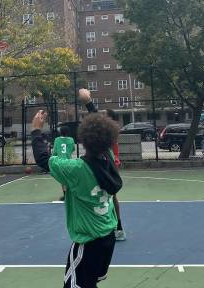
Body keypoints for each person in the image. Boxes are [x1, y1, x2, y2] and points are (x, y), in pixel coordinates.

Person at [32, 110, 122, 288]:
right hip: (108, 237)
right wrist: (89, 104)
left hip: (88, 243)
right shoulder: (109, 159)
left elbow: (43, 158)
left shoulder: (77, 169)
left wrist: (36, 130)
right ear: (109, 140)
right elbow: (102, 132)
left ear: (83, 139)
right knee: (90, 282)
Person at [78, 88, 126, 241]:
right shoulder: (110, 133)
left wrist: (88, 102)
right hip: (108, 160)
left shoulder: (107, 133)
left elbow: (98, 123)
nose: (102, 118)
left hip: (106, 160)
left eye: (105, 117)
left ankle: (117, 226)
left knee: (110, 195)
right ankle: (116, 227)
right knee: (109, 194)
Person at [53, 126, 75, 200]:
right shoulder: (71, 140)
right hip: (69, 162)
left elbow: (55, 152)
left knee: (63, 180)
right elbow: (73, 149)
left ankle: (65, 195)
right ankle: (71, 194)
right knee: (70, 178)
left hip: (60, 162)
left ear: (60, 132)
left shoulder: (57, 140)